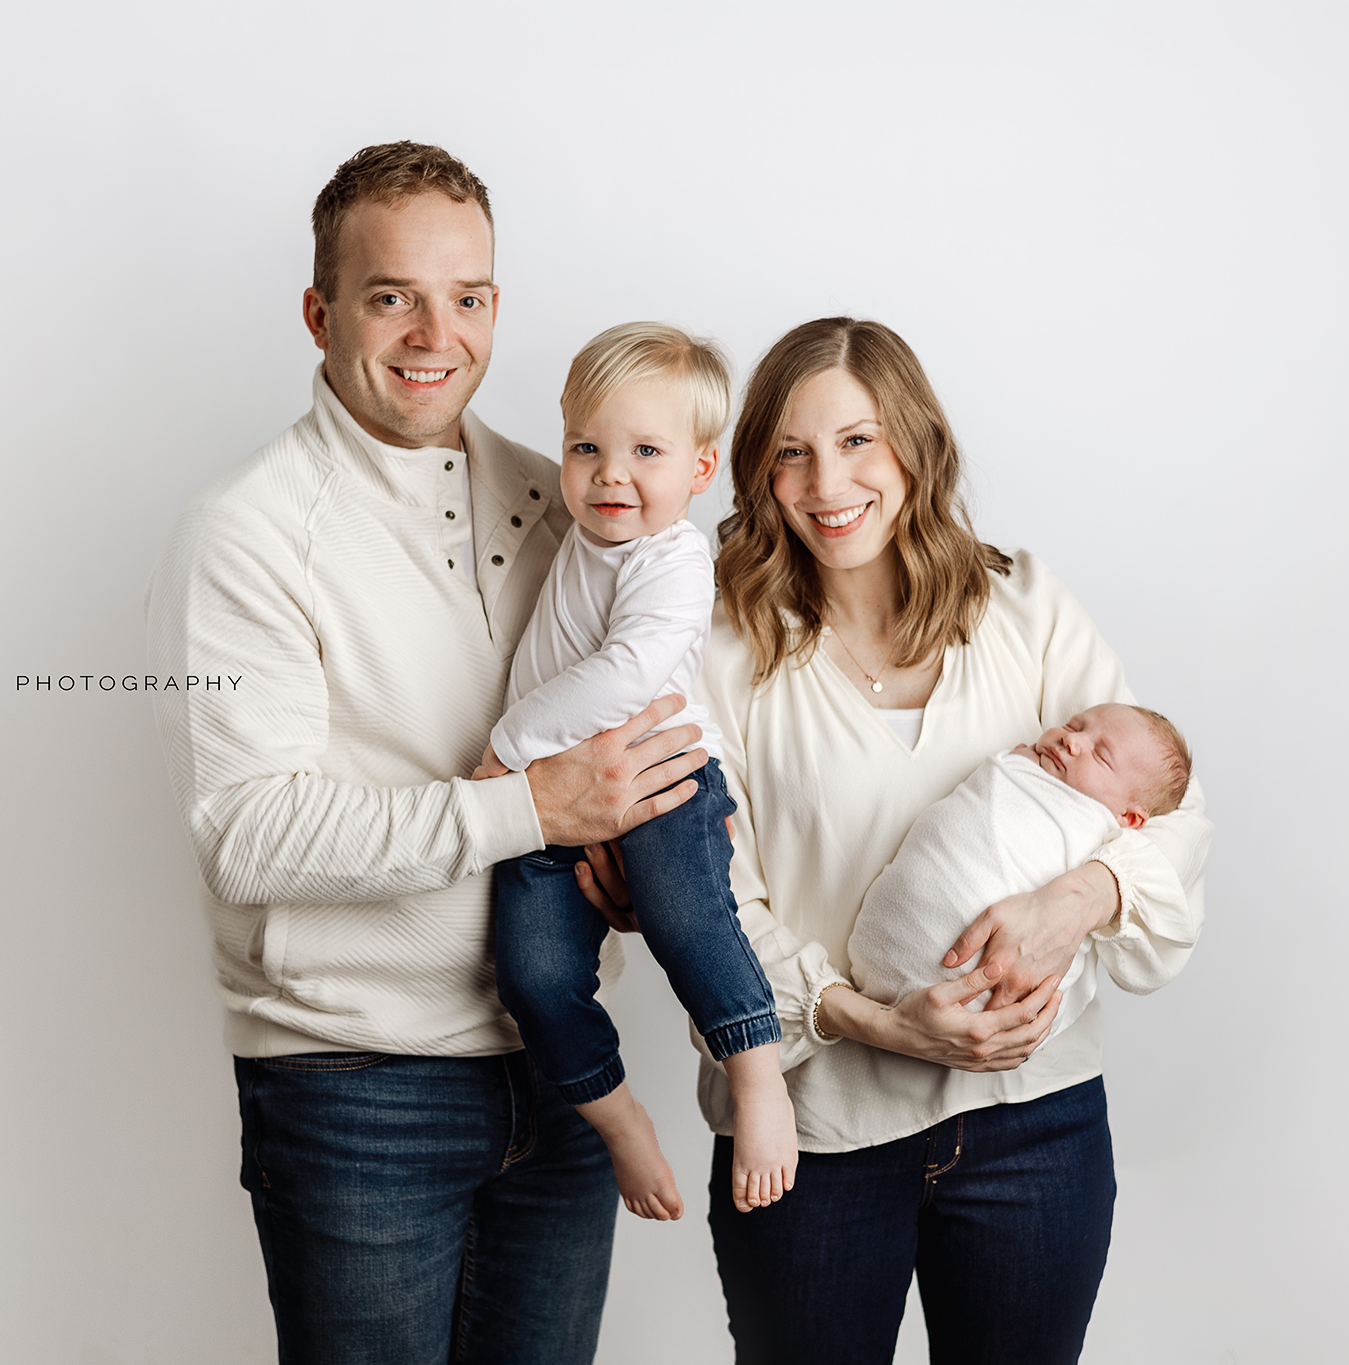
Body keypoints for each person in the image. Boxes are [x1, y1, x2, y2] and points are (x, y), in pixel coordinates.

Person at [145, 142, 707, 1365]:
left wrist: (613, 845)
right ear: (320, 313)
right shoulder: (247, 534)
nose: (430, 333)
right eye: (391, 294)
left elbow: (643, 706)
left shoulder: (565, 494)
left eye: (466, 297)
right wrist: (533, 808)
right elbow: (248, 836)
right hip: (355, 1088)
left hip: (561, 1067)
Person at [576, 317, 1213, 1364]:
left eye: (857, 441)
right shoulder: (703, 646)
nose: (827, 482)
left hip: (1034, 1124)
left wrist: (1075, 901)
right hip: (809, 1137)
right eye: (789, 450)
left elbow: (1168, 815)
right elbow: (707, 901)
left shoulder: (1023, 605)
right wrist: (880, 1022)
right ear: (752, 470)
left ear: (914, 445)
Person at [472, 322, 798, 1223]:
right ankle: (616, 1117)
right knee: (530, 977)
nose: (611, 473)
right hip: (553, 804)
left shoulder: (676, 560)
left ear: (700, 470)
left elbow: (627, 674)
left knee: (686, 917)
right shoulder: (581, 532)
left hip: (660, 783)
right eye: (587, 447)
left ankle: (758, 1074)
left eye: (645, 452)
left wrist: (507, 746)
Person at [849, 702, 1193, 1047]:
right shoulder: (1023, 765)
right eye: (1073, 726)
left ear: (1130, 819)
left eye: (1101, 756)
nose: (1072, 742)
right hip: (876, 978)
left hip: (997, 1008)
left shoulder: (1109, 836)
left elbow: (1185, 839)